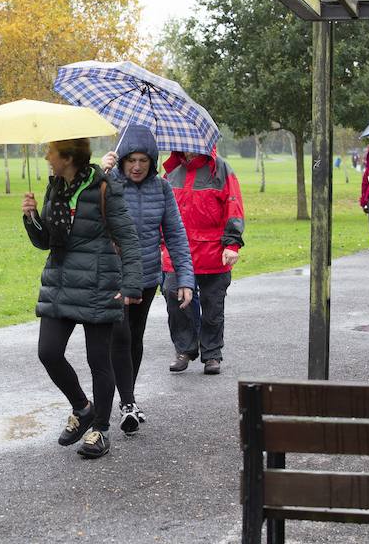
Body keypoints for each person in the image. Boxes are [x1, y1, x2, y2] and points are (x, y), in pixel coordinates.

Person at [22, 138, 141, 459]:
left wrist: (131, 286)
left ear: (69, 157)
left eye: (52, 152)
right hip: (60, 282)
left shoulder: (104, 188)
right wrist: (31, 218)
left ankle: (100, 429)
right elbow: (47, 240)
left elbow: (128, 238)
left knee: (98, 360)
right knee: (48, 352)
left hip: (99, 283)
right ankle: (82, 407)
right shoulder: (56, 188)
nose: (47, 156)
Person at [99, 125, 194, 435]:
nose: (137, 166)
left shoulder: (162, 188)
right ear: (122, 160)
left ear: (152, 161)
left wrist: (184, 278)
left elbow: (176, 234)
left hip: (148, 276)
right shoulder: (107, 183)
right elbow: (88, 216)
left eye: (143, 160)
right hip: (114, 274)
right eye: (131, 160)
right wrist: (102, 174)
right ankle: (127, 403)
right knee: (120, 334)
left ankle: (129, 398)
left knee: (135, 338)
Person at [162, 147, 244, 375]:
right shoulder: (171, 172)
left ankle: (212, 354)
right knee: (173, 296)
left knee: (212, 305)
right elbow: (162, 211)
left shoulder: (221, 169)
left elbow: (234, 205)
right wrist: (161, 244)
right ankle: (184, 349)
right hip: (178, 252)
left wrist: (232, 244)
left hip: (213, 251)